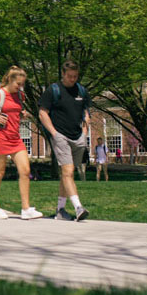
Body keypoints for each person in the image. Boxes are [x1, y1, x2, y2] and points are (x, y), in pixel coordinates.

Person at [0, 66, 43, 220]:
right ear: (10, 80)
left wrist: (21, 113)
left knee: (25, 171)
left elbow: (14, 110)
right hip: (0, 137)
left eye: (22, 84)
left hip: (15, 138)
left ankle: (26, 209)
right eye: (18, 84)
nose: (20, 87)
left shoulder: (20, 95)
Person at [39, 61, 91, 221]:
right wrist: (54, 133)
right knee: (68, 172)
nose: (72, 79)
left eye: (75, 76)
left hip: (78, 137)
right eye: (69, 76)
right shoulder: (53, 90)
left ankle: (60, 210)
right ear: (63, 74)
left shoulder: (81, 91)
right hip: (60, 136)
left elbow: (86, 113)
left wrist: (84, 131)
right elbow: (42, 113)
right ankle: (78, 207)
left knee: (67, 174)